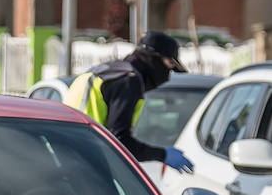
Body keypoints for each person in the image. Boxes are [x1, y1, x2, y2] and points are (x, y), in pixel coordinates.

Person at [62, 31, 195, 173]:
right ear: (154, 57)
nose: (169, 72)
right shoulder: (128, 80)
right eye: (170, 64)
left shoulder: (101, 72)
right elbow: (120, 141)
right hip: (89, 166)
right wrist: (163, 155)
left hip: (66, 158)